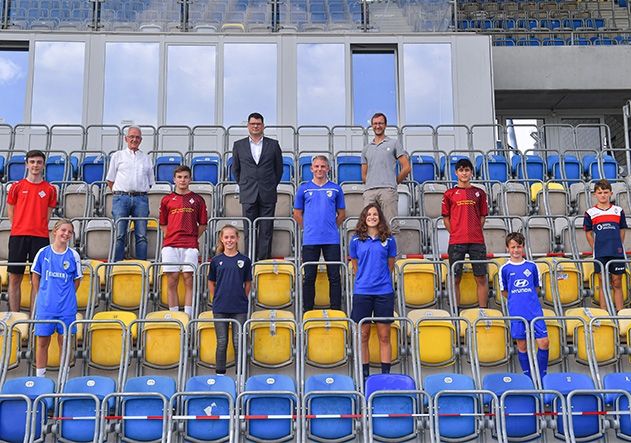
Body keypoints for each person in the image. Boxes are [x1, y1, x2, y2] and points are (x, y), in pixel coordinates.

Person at [350, 204, 397, 380]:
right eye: (369, 214)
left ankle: (385, 376)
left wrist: (380, 278)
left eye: (375, 214)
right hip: (362, 291)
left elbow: (390, 264)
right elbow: (355, 263)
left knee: (384, 335)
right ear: (364, 217)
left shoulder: (389, 239)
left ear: (380, 217)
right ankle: (364, 375)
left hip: (383, 292)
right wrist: (365, 278)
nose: (372, 217)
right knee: (363, 335)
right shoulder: (355, 240)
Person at [6, 150, 57, 312]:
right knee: (14, 278)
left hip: (40, 238)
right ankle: (15, 317)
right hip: (18, 237)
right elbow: (11, 211)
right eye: (32, 162)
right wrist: (20, 227)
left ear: (43, 165)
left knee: (38, 280)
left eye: (39, 162)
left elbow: (47, 216)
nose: (35, 165)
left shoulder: (50, 189)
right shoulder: (16, 187)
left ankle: (35, 318)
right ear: (27, 164)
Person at [294, 155, 346, 312]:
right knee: (309, 277)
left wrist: (331, 227)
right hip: (310, 240)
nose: (319, 169)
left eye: (323, 166)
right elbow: (297, 213)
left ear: (328, 168)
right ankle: (307, 311)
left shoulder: (336, 188)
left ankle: (336, 310)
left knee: (334, 276)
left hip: (331, 239)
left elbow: (342, 214)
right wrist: (308, 227)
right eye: (316, 166)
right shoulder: (304, 188)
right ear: (311, 169)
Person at [31, 219, 82, 377]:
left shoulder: (73, 255)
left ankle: (63, 378)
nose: (66, 234)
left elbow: (77, 280)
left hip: (66, 308)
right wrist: (44, 294)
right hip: (46, 307)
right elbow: (35, 276)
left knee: (65, 343)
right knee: (42, 343)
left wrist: (66, 296)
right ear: (55, 231)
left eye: (70, 232)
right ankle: (40, 378)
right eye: (63, 230)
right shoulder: (43, 253)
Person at [232, 112, 283, 261]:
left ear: (263, 126)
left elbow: (278, 169)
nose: (255, 126)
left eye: (258, 124)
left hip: (267, 192)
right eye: (253, 123)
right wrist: (244, 184)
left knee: (266, 229)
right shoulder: (239, 145)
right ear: (248, 125)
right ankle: (250, 261)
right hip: (248, 193)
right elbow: (236, 169)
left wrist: (271, 184)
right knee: (249, 230)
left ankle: (263, 262)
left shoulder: (273, 144)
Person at [159, 165, 208, 317]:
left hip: (190, 245)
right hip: (170, 246)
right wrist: (172, 237)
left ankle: (188, 316)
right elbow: (163, 224)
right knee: (172, 280)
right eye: (179, 177)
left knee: (189, 279)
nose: (182, 180)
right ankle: (174, 315)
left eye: (185, 177)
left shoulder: (198, 200)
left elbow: (203, 224)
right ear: (174, 179)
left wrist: (191, 237)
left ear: (190, 179)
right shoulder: (167, 200)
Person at [500, 232, 549, 381]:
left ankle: (541, 375)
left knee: (544, 342)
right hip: (517, 312)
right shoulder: (505, 269)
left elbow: (536, 288)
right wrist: (517, 299)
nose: (516, 250)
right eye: (513, 247)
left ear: (523, 247)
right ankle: (528, 376)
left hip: (534, 310)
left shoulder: (532, 266)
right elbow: (504, 291)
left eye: (519, 247)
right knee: (522, 346)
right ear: (508, 248)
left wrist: (528, 298)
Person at [441, 158, 489, 307]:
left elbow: (482, 217)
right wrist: (455, 232)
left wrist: (474, 230)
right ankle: (456, 313)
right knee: (455, 278)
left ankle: (484, 312)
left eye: (467, 170)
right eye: (461, 170)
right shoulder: (449, 194)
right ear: (456, 173)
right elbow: (446, 218)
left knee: (481, 278)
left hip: (477, 241)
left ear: (472, 173)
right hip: (456, 241)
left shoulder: (479, 193)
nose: (464, 173)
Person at [106, 126, 155, 262]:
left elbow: (150, 182)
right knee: (119, 234)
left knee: (141, 235)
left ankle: (141, 267)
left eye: (137, 137)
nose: (134, 139)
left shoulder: (146, 158)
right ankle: (116, 266)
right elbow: (110, 180)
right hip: (121, 198)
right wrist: (119, 193)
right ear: (126, 138)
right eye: (132, 136)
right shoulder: (117, 156)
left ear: (141, 140)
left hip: (141, 198)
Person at [208, 225, 252, 375]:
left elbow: (248, 283)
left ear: (237, 238)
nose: (229, 240)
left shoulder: (244, 260)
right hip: (220, 307)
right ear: (221, 239)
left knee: (238, 341)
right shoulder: (216, 260)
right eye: (226, 237)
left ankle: (240, 374)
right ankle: (220, 374)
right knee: (221, 342)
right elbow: (211, 282)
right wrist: (216, 298)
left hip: (239, 307)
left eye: (232, 237)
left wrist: (241, 296)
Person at [361, 112, 410, 232]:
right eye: (375, 123)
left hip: (388, 190)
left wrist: (394, 181)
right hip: (370, 191)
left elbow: (406, 167)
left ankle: (393, 252)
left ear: (385, 125)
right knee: (369, 227)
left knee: (391, 226)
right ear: (372, 126)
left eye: (380, 123)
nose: (378, 126)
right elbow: (364, 175)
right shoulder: (366, 148)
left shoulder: (394, 143)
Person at [584, 179, 627, 311]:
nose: (603, 195)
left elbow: (622, 230)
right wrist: (595, 248)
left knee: (617, 282)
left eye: (605, 192)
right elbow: (588, 233)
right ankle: (604, 313)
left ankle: (620, 313)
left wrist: (617, 245)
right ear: (595, 194)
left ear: (610, 193)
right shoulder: (590, 213)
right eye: (600, 192)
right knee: (603, 283)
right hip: (600, 253)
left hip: (616, 252)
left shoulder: (618, 211)